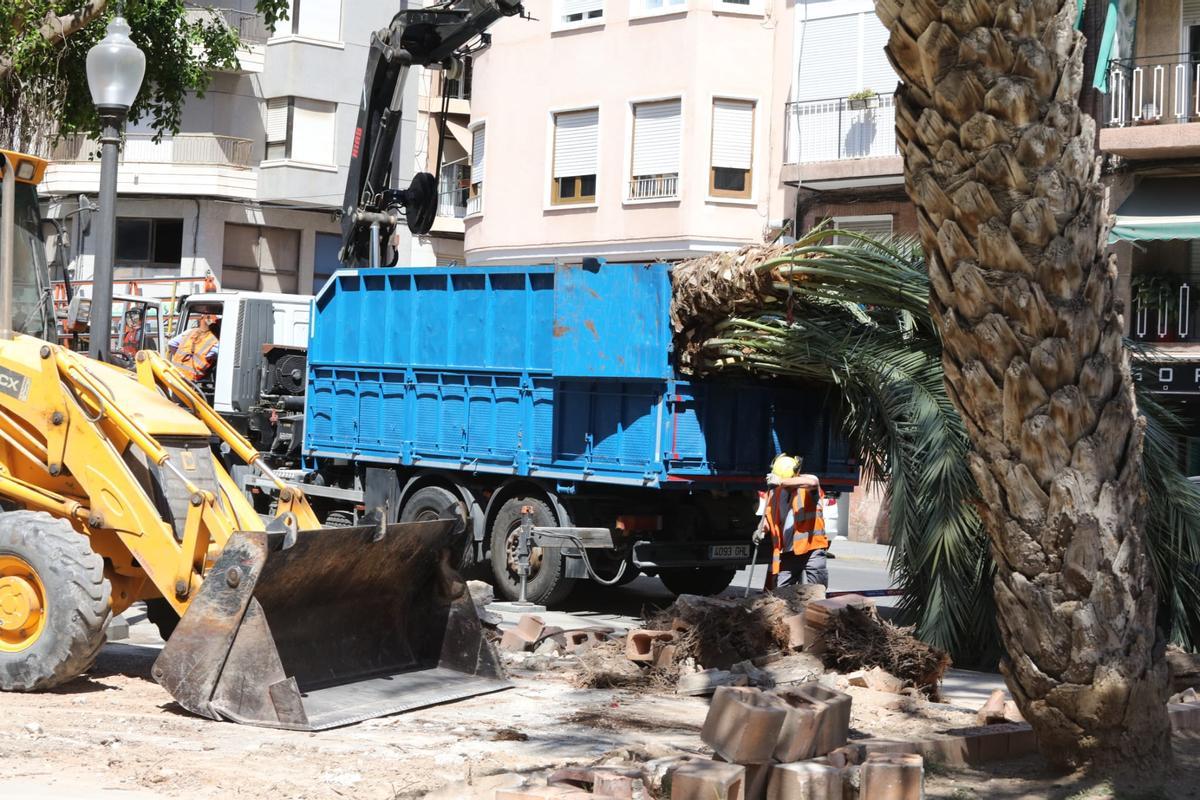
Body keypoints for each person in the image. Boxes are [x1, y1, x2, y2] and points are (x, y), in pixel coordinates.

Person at [754, 454, 829, 588]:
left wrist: (782, 481)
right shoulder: (774, 492)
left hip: (812, 549)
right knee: (781, 594)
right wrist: (761, 529)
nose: (785, 486)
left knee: (817, 594)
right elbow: (768, 517)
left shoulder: (807, 484)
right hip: (788, 553)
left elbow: (813, 482)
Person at [169, 314, 220, 383]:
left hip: (174, 372)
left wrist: (180, 356)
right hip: (191, 377)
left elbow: (171, 343)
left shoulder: (190, 332)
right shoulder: (215, 342)